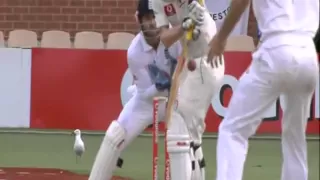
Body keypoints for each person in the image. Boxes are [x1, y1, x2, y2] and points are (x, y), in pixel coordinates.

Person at [207, 0, 319, 180]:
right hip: (308, 52)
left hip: (276, 47)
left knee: (232, 131)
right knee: (295, 137)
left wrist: (220, 38)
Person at [87, 0, 183, 179]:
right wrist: (158, 85)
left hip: (177, 101)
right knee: (115, 135)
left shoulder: (175, 35)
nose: (153, 22)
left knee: (186, 146)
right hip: (147, 103)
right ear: (138, 19)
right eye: (147, 18)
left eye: (155, 16)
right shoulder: (135, 52)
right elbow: (147, 94)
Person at [152, 0, 225, 179]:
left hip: (206, 60)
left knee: (179, 125)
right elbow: (165, 38)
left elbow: (200, 16)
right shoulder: (156, 2)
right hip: (192, 61)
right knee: (191, 138)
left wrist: (199, 19)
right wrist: (185, 26)